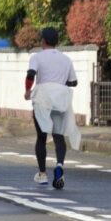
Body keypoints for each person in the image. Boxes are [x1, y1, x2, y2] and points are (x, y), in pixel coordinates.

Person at [24, 27, 80, 190]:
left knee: (41, 137)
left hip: (43, 97)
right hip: (60, 98)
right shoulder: (66, 59)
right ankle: (60, 166)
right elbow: (74, 82)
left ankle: (42, 174)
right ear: (57, 41)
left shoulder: (37, 57)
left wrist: (28, 91)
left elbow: (30, 74)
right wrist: (60, 82)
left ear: (43, 41)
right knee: (58, 136)